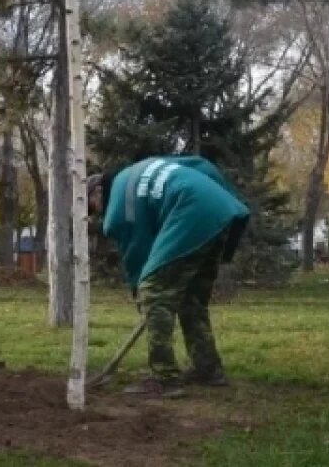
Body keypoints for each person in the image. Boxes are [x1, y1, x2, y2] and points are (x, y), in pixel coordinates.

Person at [89, 156, 249, 398]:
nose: (95, 215)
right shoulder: (138, 169)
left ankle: (164, 378)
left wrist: (143, 296)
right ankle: (207, 369)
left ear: (98, 191)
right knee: (191, 299)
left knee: (154, 293)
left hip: (191, 212)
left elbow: (137, 255)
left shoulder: (117, 210)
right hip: (221, 210)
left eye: (90, 207)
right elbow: (202, 165)